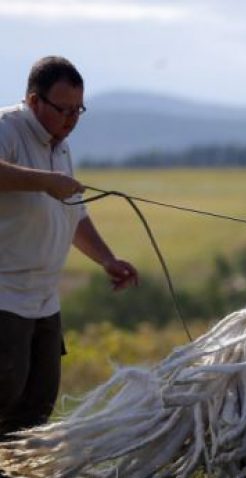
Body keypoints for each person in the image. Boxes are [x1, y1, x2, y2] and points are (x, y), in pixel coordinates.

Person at [0, 56, 139, 440]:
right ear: (33, 102)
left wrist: (107, 259)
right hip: (5, 293)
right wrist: (45, 181)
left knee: (39, 397)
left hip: (44, 297)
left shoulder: (60, 147)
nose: (71, 119)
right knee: (4, 389)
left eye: (78, 110)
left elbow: (73, 216)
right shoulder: (7, 129)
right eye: (63, 109)